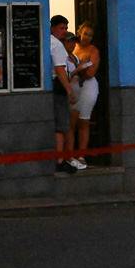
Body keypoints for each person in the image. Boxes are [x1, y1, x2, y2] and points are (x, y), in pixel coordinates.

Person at [70, 22, 101, 169]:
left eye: (90, 35)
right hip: (73, 85)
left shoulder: (93, 50)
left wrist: (77, 70)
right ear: (79, 33)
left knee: (83, 120)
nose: (87, 37)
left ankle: (81, 156)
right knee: (71, 122)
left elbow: (90, 72)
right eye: (85, 34)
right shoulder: (73, 47)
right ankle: (69, 155)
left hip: (87, 86)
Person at [50, 15, 78, 174]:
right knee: (61, 126)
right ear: (53, 28)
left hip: (52, 87)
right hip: (58, 87)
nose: (64, 31)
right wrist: (69, 90)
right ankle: (60, 161)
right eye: (62, 28)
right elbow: (60, 69)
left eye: (66, 28)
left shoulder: (48, 41)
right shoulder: (57, 45)